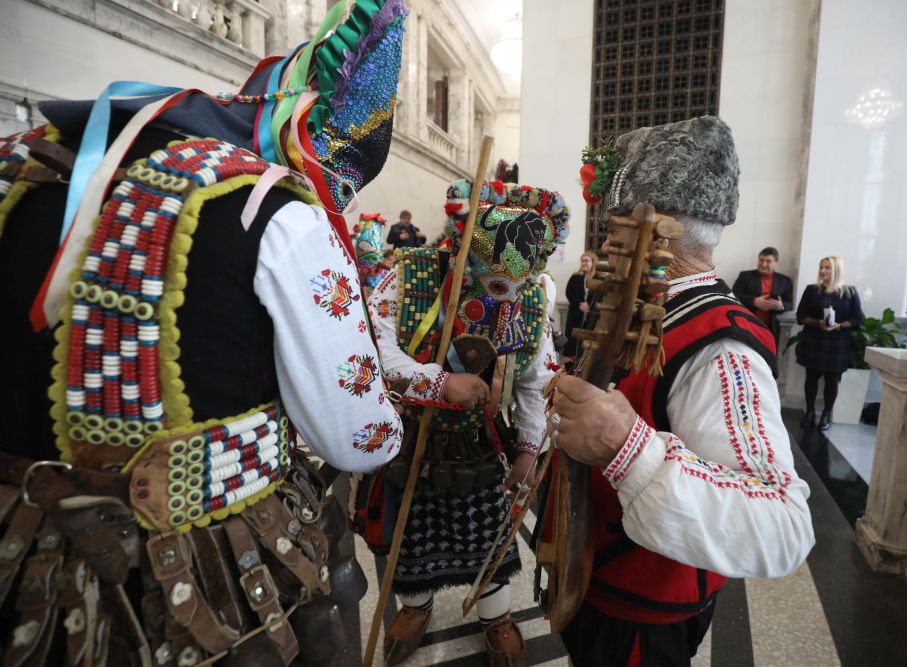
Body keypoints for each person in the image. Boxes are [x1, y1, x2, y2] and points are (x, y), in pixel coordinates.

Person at [0, 0, 407, 663]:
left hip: (20, 569)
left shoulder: (20, 163)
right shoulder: (275, 209)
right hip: (193, 589)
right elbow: (356, 435)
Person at [548, 117, 815, 667]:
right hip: (595, 579)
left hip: (645, 615)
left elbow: (781, 524)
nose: (604, 241)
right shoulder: (642, 305)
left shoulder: (721, 347)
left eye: (616, 225)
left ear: (659, 232)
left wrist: (628, 447)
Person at [362, 178, 569, 666]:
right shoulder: (409, 275)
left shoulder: (533, 296)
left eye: (511, 287)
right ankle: (416, 606)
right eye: (489, 281)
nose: (500, 296)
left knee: (487, 531)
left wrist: (525, 450)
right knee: (410, 530)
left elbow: (537, 380)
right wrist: (436, 384)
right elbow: (373, 347)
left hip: (484, 439)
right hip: (414, 433)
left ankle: (496, 615)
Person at [794, 256, 863, 430]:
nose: (823, 271)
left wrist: (839, 325)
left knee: (832, 380)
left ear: (836, 270)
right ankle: (809, 412)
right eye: (821, 267)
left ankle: (825, 414)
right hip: (814, 339)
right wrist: (819, 323)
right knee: (811, 378)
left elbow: (856, 319)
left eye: (827, 268)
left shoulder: (850, 292)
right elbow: (800, 316)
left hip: (838, 342)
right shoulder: (812, 290)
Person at [732, 246, 794, 343]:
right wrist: (754, 301)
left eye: (768, 261)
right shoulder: (745, 276)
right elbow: (733, 296)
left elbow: (790, 304)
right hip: (747, 325)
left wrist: (781, 306)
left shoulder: (785, 280)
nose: (763, 264)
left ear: (776, 263)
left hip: (772, 328)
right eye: (761, 260)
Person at [563, 250, 598, 360]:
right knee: (572, 343)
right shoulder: (575, 277)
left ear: (593, 262)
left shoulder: (598, 279)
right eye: (582, 261)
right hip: (575, 314)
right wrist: (579, 304)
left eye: (586, 261)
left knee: (585, 346)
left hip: (591, 316)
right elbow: (569, 293)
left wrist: (590, 307)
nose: (584, 263)